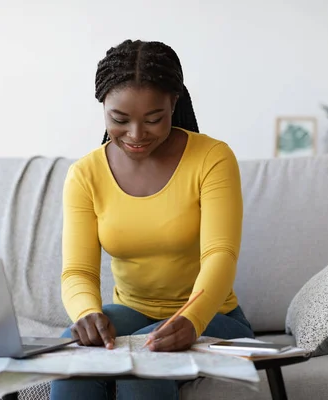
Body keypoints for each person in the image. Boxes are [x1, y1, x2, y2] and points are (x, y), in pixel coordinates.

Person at [51, 39, 254, 400]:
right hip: (131, 311)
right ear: (103, 107)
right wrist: (86, 313)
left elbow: (221, 254)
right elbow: (77, 272)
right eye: (119, 119)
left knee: (145, 368)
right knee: (73, 359)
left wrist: (192, 319)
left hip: (213, 318)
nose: (136, 134)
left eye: (153, 119)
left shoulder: (212, 158)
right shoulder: (85, 174)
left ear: (174, 104)